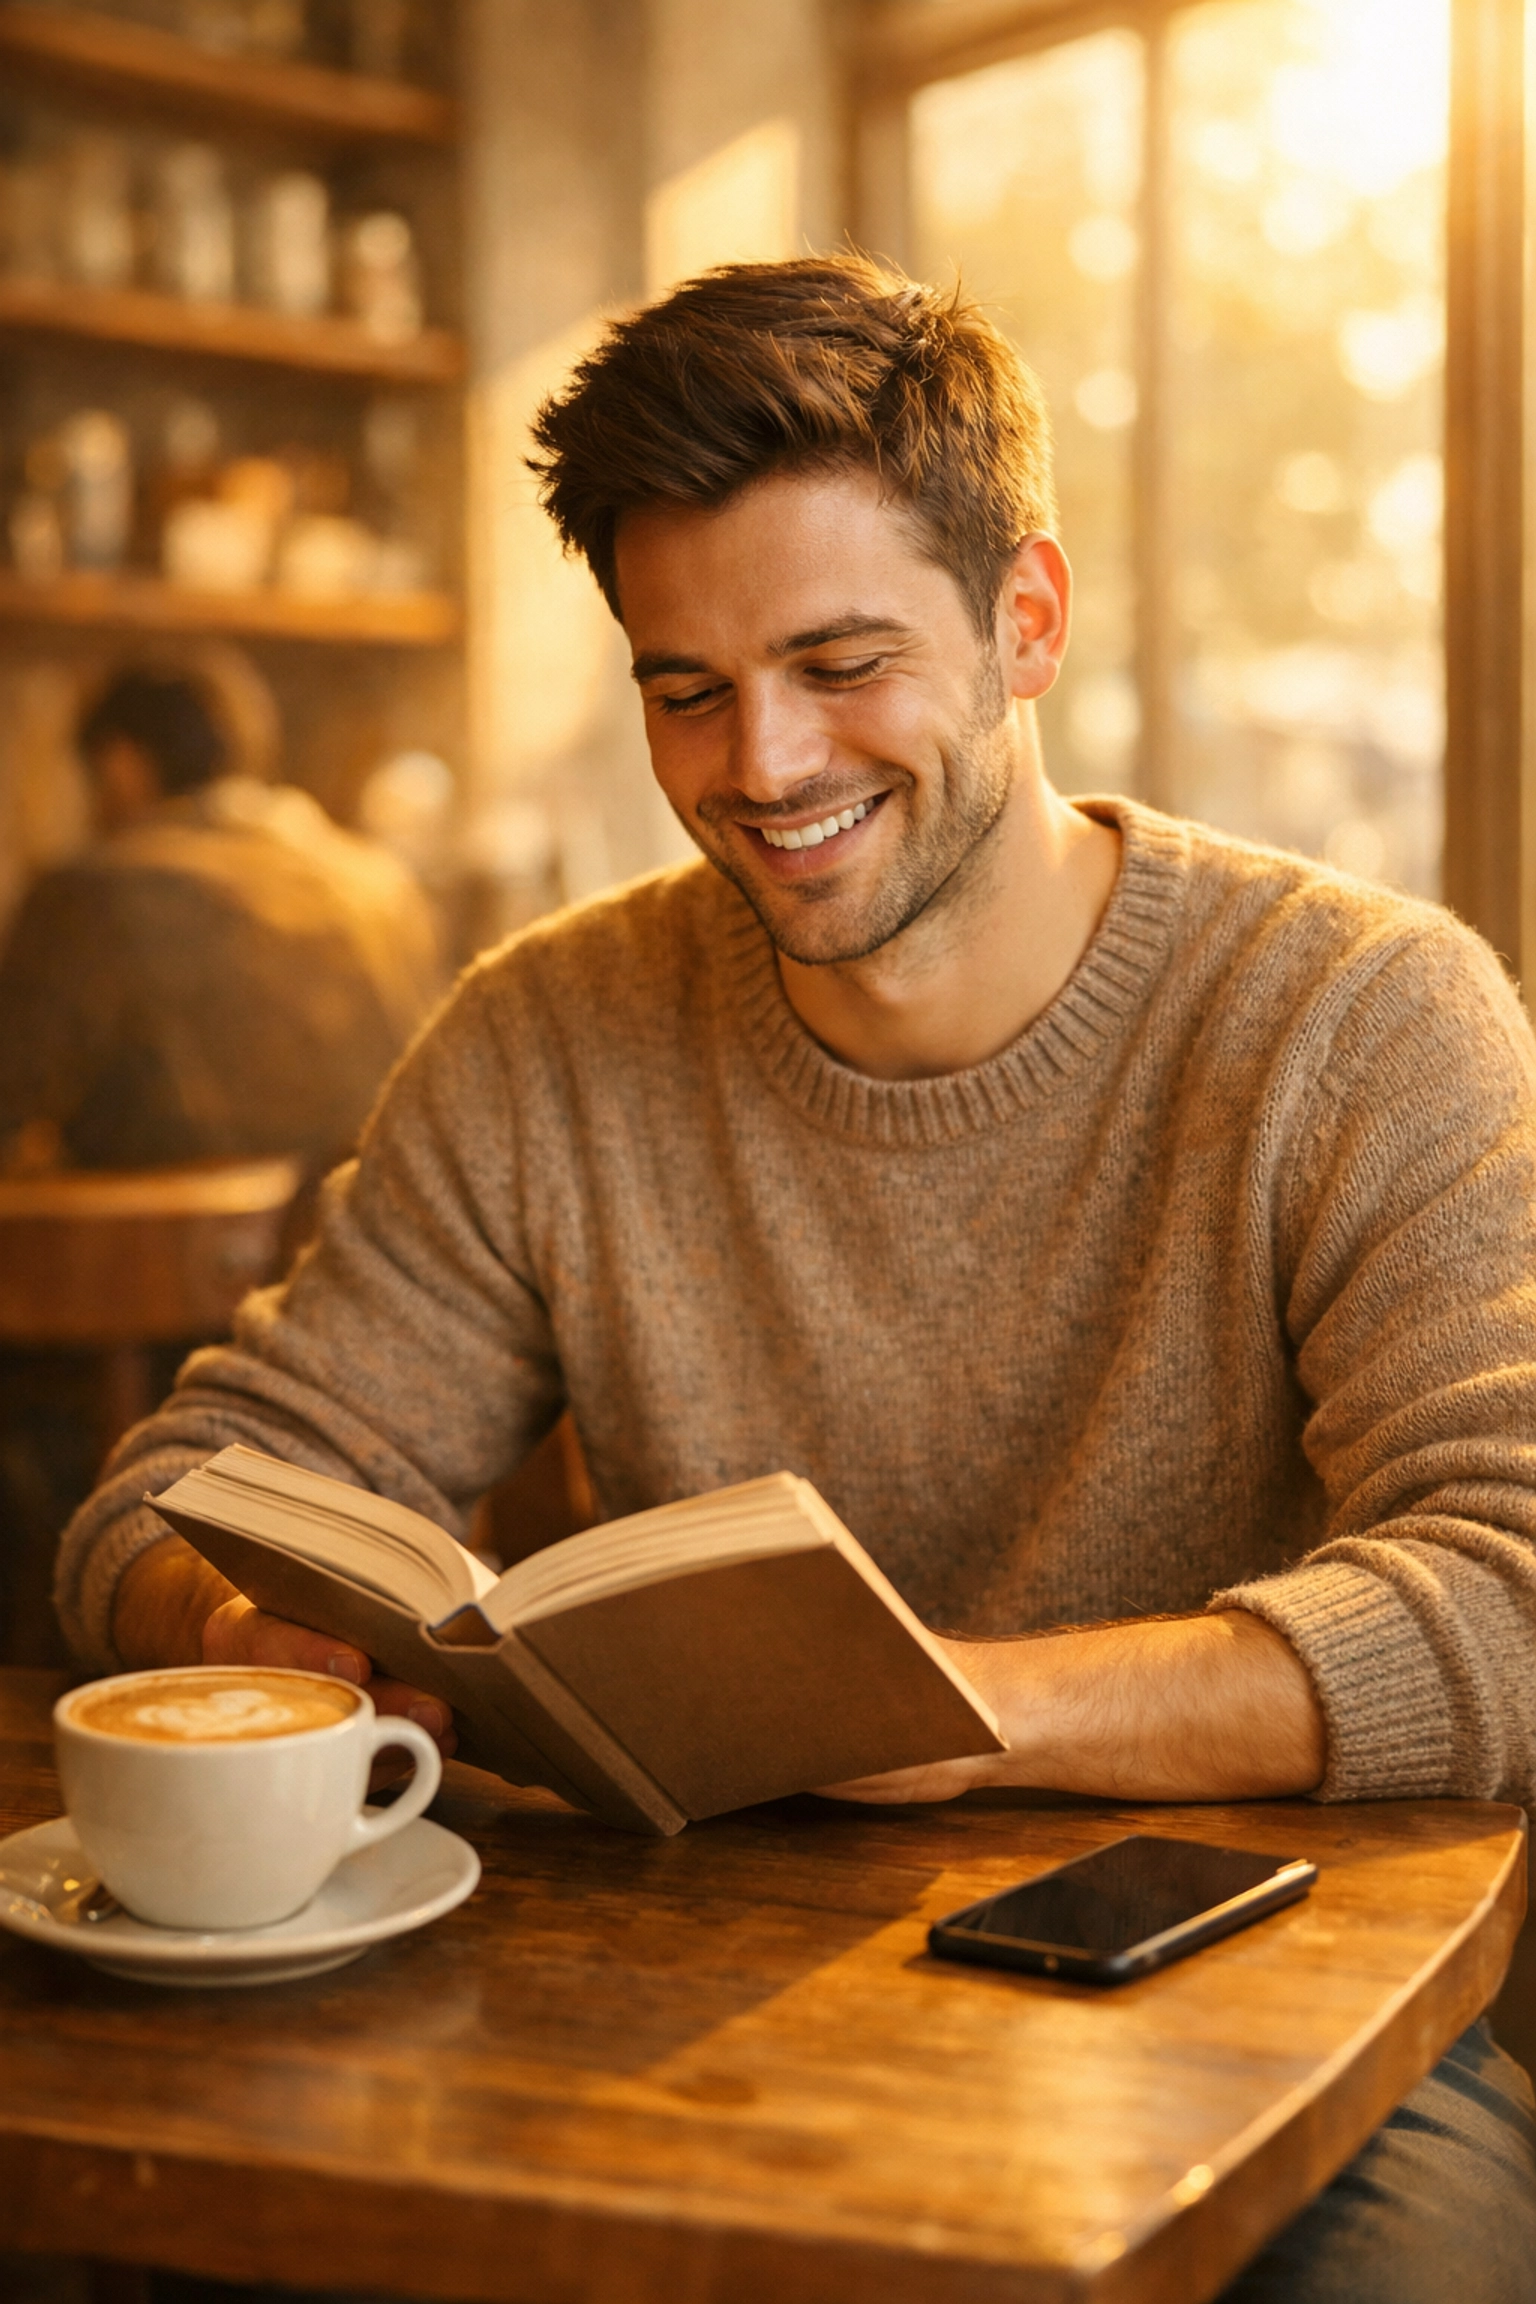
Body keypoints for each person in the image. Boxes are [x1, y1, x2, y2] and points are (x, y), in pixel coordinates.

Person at [55, 258, 1536, 2297]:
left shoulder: (1361, 1017)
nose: (759, 764)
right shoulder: (542, 1039)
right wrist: (246, 1632)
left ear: (1028, 619)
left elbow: (1511, 1597)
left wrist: (950, 1717)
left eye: (841, 662)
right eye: (686, 687)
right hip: (680, 2010)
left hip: (1265, 1998)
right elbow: (180, 1480)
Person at [0, 665, 443, 1176]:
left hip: (157, 1251)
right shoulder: (382, 886)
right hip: (364, 1242)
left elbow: (10, 1103)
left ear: (121, 764)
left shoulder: (87, 895)